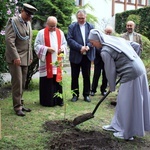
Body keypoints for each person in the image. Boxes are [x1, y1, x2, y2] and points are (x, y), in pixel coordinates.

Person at [88, 29, 150, 140]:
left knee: (126, 103)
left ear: (98, 40)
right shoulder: (115, 40)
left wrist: (111, 86)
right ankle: (116, 125)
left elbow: (110, 70)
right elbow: (135, 46)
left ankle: (127, 132)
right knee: (122, 101)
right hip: (139, 69)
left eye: (92, 43)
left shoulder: (105, 51)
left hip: (131, 74)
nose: (92, 45)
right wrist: (133, 59)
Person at [5, 3, 37, 116]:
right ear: (22, 11)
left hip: (25, 57)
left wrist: (31, 56)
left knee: (22, 82)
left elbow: (29, 41)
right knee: (17, 82)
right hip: (16, 58)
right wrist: (15, 57)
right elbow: (9, 41)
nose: (29, 18)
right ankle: (17, 107)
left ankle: (20, 104)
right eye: (28, 14)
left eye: (31, 16)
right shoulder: (13, 21)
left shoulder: (28, 22)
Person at [34, 16, 67, 107]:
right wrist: (46, 49)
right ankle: (47, 102)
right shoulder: (41, 33)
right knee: (47, 82)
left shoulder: (60, 32)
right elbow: (36, 45)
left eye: (54, 26)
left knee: (57, 81)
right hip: (47, 61)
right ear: (47, 24)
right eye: (51, 26)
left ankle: (58, 101)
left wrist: (62, 49)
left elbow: (64, 44)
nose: (53, 28)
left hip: (57, 61)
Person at [67, 9, 95, 102]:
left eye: (82, 18)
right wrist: (80, 47)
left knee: (86, 76)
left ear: (86, 17)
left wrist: (87, 46)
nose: (81, 20)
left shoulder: (91, 26)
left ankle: (86, 94)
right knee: (74, 76)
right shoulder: (72, 26)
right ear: (76, 17)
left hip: (87, 55)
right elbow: (70, 40)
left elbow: (94, 39)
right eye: (79, 18)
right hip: (75, 55)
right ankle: (75, 95)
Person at [90, 26, 113, 96]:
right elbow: (96, 47)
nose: (108, 34)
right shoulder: (99, 38)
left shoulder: (112, 40)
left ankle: (103, 90)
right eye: (107, 32)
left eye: (110, 33)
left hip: (106, 61)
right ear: (104, 31)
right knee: (96, 75)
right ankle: (93, 90)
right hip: (98, 59)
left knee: (105, 76)